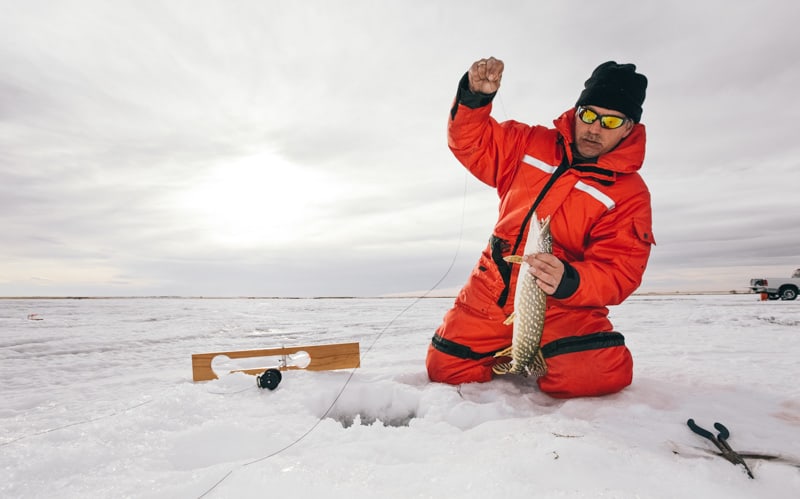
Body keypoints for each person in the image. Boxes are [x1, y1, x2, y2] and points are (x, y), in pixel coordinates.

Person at [426, 57, 655, 398]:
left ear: (628, 128)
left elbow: (620, 271)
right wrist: (475, 98)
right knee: (445, 368)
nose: (594, 128)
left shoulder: (629, 194)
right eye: (588, 115)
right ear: (576, 112)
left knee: (597, 373)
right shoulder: (528, 143)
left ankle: (546, 352)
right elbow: (471, 143)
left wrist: (570, 280)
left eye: (610, 121)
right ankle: (510, 352)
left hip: (564, 305)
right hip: (493, 288)